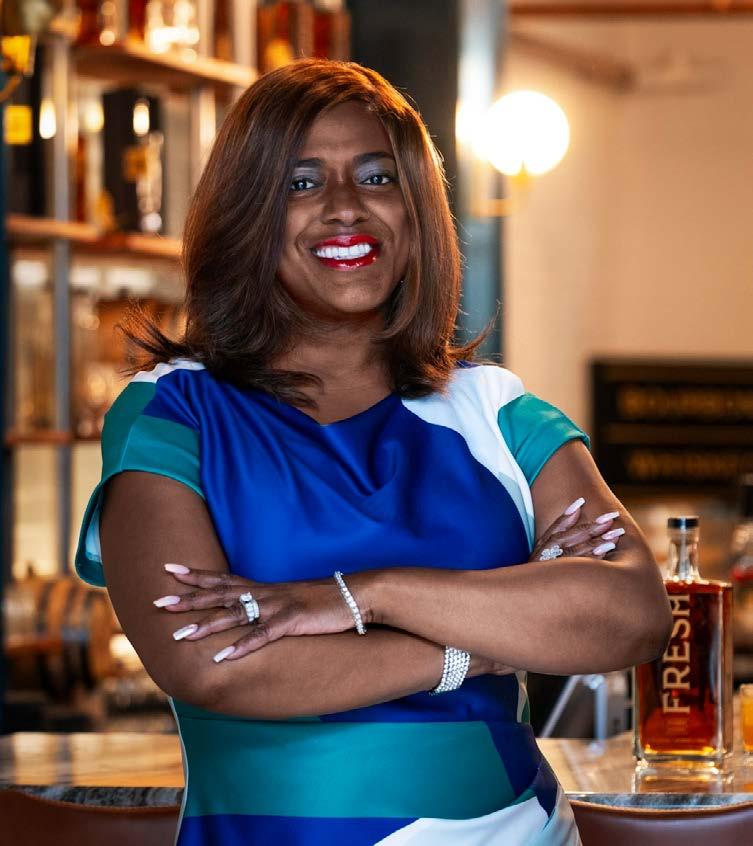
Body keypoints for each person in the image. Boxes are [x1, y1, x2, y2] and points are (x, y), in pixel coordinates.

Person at [74, 59, 671, 845]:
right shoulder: (173, 411)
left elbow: (631, 616)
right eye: (301, 183)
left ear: (415, 209)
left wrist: (364, 596)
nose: (345, 207)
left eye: (376, 176)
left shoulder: (493, 410)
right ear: (246, 213)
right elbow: (211, 663)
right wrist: (478, 644)